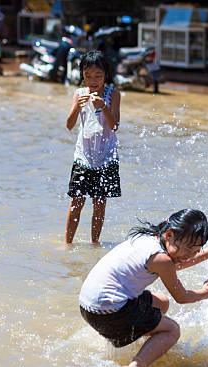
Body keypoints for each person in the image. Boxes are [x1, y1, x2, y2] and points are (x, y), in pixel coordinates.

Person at [79, 209, 208, 367]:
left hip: (88, 307)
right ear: (169, 235)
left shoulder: (148, 239)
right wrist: (206, 292)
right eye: (188, 249)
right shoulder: (162, 259)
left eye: (195, 251)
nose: (190, 255)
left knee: (161, 302)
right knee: (172, 330)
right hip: (109, 313)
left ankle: (144, 344)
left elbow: (174, 265)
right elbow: (182, 297)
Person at [65, 50, 121, 245]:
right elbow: (70, 125)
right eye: (88, 76)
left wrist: (104, 107)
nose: (93, 80)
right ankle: (68, 244)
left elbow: (114, 126)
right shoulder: (79, 94)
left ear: (106, 75)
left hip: (105, 155)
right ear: (82, 75)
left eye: (98, 76)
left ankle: (94, 243)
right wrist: (77, 108)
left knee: (99, 203)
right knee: (76, 202)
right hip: (84, 155)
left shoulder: (113, 94)